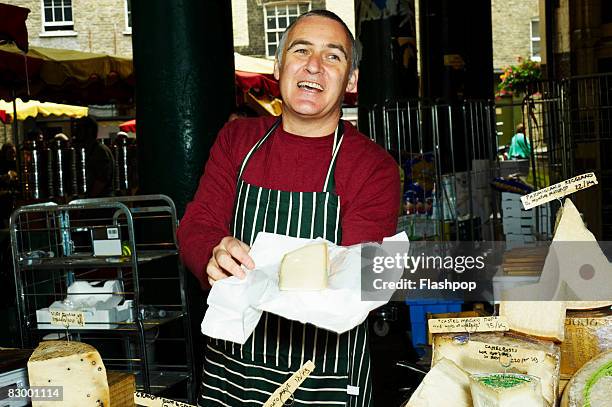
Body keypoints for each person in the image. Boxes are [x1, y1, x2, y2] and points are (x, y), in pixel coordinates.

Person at [178, 10, 399, 406]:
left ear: (351, 81)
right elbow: (199, 222)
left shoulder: (373, 167)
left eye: (333, 56)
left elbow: (359, 274)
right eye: (301, 50)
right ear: (279, 66)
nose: (314, 65)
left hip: (327, 376)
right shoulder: (237, 141)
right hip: (233, 367)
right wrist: (212, 252)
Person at [74, 117, 115, 197]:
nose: (75, 133)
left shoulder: (99, 151)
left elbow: (102, 179)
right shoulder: (92, 149)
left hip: (100, 202)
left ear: (89, 130)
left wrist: (89, 200)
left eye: (79, 129)